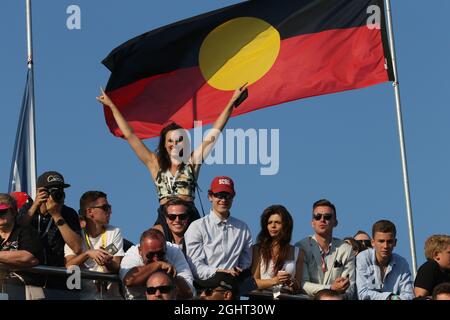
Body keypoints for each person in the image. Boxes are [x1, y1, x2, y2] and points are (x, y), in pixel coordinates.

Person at [96, 85, 248, 225]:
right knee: (153, 240)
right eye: (170, 141)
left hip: (188, 215)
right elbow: (130, 135)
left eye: (179, 140)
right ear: (164, 144)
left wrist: (232, 101)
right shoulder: (154, 164)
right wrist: (112, 106)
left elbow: (215, 131)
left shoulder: (192, 162)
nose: (174, 144)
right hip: (165, 216)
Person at [18, 171, 82, 289]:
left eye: (61, 191)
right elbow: (16, 233)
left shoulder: (68, 213)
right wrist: (34, 207)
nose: (59, 195)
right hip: (29, 276)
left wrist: (56, 215)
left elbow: (77, 247)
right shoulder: (28, 209)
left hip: (58, 278)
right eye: (53, 191)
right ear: (40, 192)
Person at [184, 176, 253, 282]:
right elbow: (195, 267)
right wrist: (221, 273)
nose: (223, 200)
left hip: (232, 291)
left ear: (233, 197)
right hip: (205, 292)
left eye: (227, 195)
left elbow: (246, 263)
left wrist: (238, 271)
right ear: (210, 196)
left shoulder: (243, 228)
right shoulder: (197, 227)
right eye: (219, 195)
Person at [65, 191, 125, 299]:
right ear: (90, 212)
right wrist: (87, 254)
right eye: (105, 207)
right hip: (84, 297)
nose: (110, 211)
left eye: (109, 207)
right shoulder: (76, 236)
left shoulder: (114, 231)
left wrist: (107, 262)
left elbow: (116, 266)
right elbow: (69, 266)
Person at [296, 199, 355, 299]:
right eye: (317, 217)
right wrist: (331, 288)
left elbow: (350, 289)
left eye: (327, 217)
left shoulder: (346, 249)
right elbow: (302, 284)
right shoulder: (301, 247)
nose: (322, 220)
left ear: (335, 222)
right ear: (312, 222)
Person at [120, 228, 194, 300]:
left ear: (166, 249)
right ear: (140, 251)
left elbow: (189, 292)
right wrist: (158, 265)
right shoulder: (131, 256)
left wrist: (173, 277)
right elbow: (128, 280)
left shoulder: (174, 251)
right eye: (150, 255)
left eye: (160, 254)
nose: (156, 259)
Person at [0, 193, 45, 299]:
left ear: (14, 212)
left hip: (25, 290)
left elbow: (28, 258)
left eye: (3, 211)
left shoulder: (26, 232)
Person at [356, 220, 414, 300]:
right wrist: (389, 297)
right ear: (372, 242)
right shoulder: (363, 258)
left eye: (389, 241)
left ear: (395, 242)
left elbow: (409, 295)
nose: (385, 246)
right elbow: (362, 294)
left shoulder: (402, 262)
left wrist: (393, 298)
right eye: (381, 241)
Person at [251, 205, 303, 293]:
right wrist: (275, 280)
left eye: (277, 222)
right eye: (269, 222)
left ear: (286, 225)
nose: (273, 226)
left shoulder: (298, 252)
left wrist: (291, 282)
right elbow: (254, 283)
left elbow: (298, 287)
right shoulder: (258, 249)